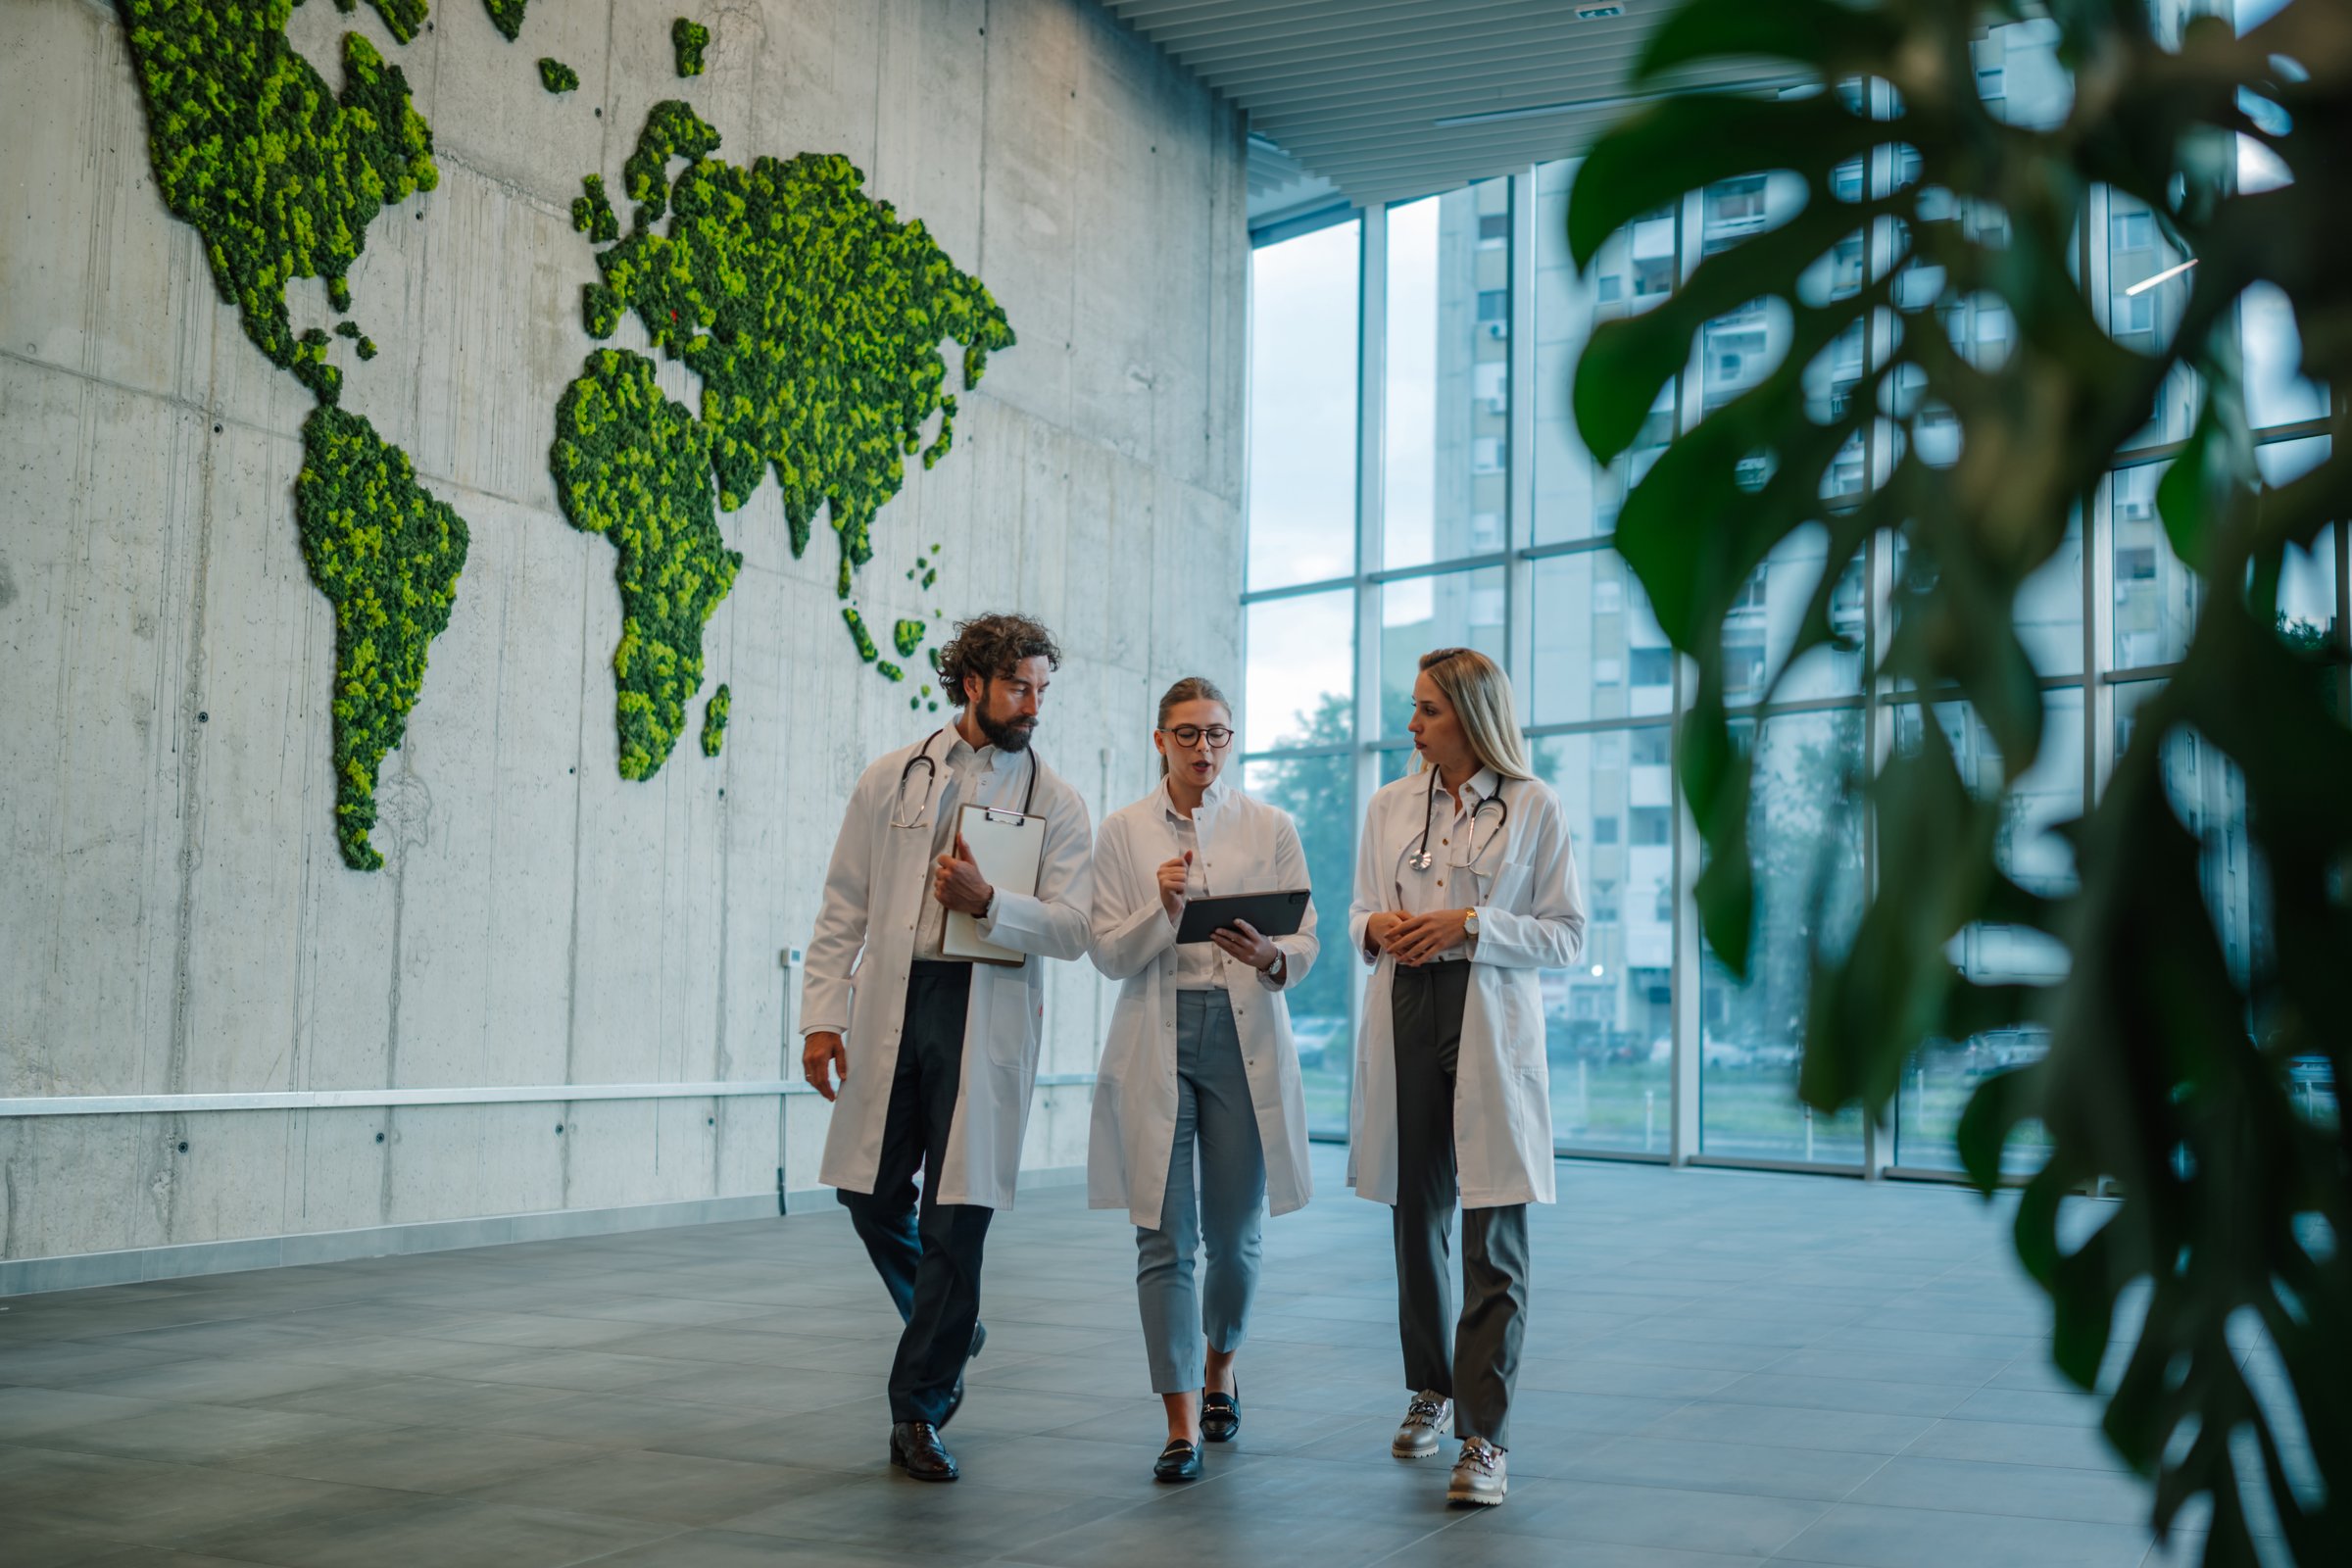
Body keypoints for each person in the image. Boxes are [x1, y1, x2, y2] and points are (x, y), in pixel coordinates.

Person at [801, 612, 1094, 1484]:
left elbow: (1074, 928)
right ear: (971, 684)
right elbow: (844, 903)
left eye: (1043, 688)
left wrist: (989, 900)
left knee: (957, 1219)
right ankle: (954, 1328)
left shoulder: (1059, 801)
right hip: (898, 998)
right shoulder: (894, 777)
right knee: (870, 1195)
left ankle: (918, 1409)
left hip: (985, 1006)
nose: (1034, 704)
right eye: (1018, 687)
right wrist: (822, 1015)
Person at [1348, 647, 1585, 1507]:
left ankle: (1485, 1438)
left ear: (1472, 718)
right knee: (1417, 1215)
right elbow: (1357, 909)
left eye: (1426, 712)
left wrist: (1472, 923)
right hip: (1407, 1003)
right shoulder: (1388, 804)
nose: (1410, 725)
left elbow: (1565, 933)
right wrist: (1379, 926)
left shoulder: (1534, 805)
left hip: (1487, 1011)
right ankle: (1432, 1389)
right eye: (1413, 709)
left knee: (1494, 1228)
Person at [1086, 676, 1319, 1484]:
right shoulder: (1122, 834)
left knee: (1236, 1238)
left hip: (1242, 1030)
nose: (1203, 749)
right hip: (1158, 1030)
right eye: (1186, 734)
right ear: (1160, 741)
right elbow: (1110, 953)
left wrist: (1271, 955)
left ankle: (1223, 1363)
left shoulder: (1270, 826)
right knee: (1162, 1235)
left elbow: (1308, 937)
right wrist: (1161, 907)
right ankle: (1181, 1420)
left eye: (1217, 733)